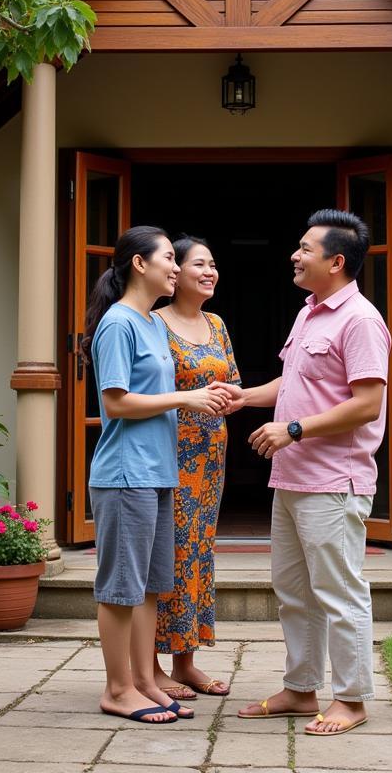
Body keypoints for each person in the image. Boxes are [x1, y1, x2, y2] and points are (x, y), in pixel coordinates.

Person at [230, 209, 391, 737]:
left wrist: (293, 430)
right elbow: (293, 379)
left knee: (340, 593)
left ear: (336, 261)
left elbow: (367, 404)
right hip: (292, 477)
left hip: (333, 480)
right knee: (294, 591)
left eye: (304, 249)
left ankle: (351, 699)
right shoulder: (309, 312)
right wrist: (246, 397)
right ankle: (301, 690)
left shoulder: (361, 320)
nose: (294, 256)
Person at [83, 226, 233, 725]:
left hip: (160, 473)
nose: (177, 267)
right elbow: (115, 401)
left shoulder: (149, 324)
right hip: (125, 474)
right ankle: (117, 688)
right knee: (120, 588)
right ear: (139, 264)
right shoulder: (118, 324)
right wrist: (185, 398)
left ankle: (145, 682)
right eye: (170, 258)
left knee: (150, 587)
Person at [152, 235, 241, 701]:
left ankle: (185, 662)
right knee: (163, 554)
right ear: (176, 273)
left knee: (198, 553)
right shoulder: (153, 323)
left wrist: (227, 398)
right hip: (167, 454)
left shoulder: (217, 323)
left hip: (211, 458)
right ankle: (150, 665)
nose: (209, 272)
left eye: (213, 264)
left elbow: (233, 380)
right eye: (198, 264)